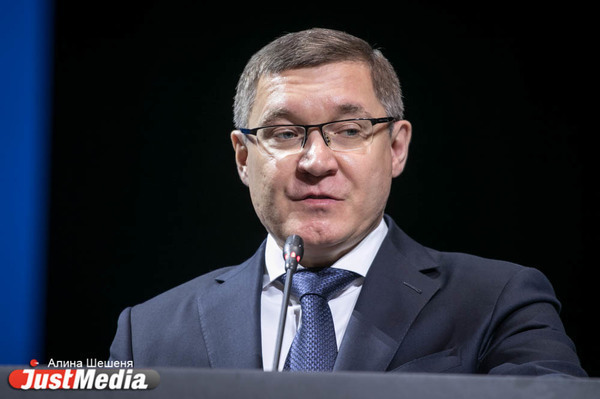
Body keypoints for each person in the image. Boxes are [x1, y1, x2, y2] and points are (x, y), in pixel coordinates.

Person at [109, 28, 587, 376]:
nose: (316, 161)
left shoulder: (498, 301)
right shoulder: (147, 333)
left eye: (349, 130)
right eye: (284, 133)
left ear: (396, 148)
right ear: (242, 157)